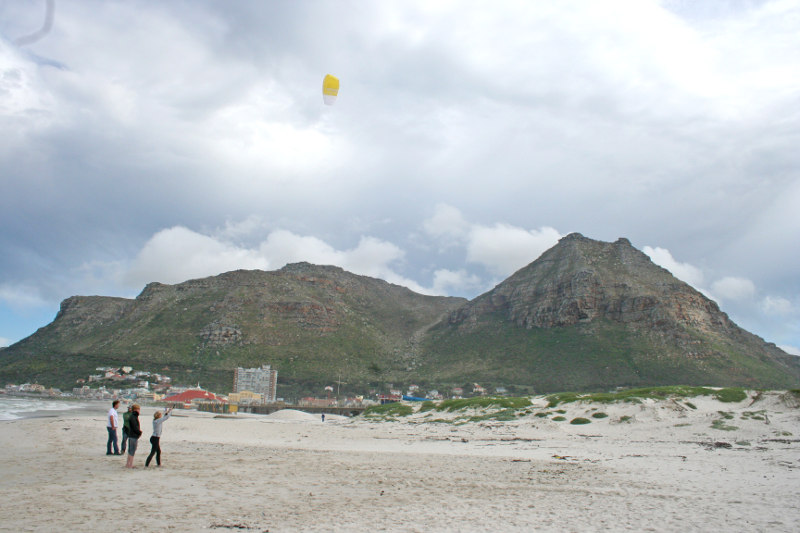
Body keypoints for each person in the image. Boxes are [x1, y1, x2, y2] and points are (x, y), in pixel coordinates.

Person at [125, 404, 142, 468]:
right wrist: (139, 432)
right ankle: (130, 464)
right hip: (133, 435)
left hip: (131, 435)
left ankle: (128, 464)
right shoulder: (133, 417)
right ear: (135, 410)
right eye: (138, 409)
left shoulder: (132, 416)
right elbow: (135, 427)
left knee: (130, 450)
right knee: (132, 450)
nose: (139, 411)